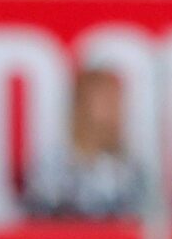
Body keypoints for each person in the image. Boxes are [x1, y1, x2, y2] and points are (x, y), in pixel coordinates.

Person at [22, 66, 143, 219]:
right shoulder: (50, 166)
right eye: (106, 101)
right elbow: (39, 222)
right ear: (81, 105)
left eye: (116, 101)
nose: (115, 110)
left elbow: (141, 224)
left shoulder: (129, 170)